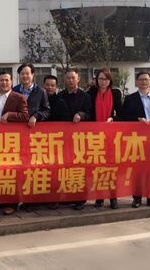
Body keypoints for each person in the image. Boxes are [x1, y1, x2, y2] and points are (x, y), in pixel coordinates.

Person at [121, 71, 150, 209]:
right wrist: (137, 120)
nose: (143, 82)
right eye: (141, 79)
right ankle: (137, 198)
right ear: (137, 82)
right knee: (137, 170)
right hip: (136, 140)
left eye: (146, 79)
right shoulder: (130, 99)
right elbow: (124, 118)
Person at [0, 71, 29, 215]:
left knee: (12, 172)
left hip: (11, 141)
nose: (4, 83)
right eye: (1, 80)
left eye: (7, 80)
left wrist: (10, 115)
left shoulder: (18, 97)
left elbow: (25, 116)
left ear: (12, 82)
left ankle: (12, 203)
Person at [57, 67, 92, 210]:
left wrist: (81, 115)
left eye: (73, 78)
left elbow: (90, 115)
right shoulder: (60, 95)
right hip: (63, 138)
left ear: (78, 79)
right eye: (68, 78)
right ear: (64, 80)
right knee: (65, 168)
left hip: (79, 138)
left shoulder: (85, 96)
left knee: (79, 169)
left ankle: (80, 198)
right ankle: (67, 196)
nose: (71, 80)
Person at [87, 67, 122, 210]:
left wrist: (113, 118)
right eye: (101, 79)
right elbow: (88, 112)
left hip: (111, 136)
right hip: (94, 136)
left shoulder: (115, 93)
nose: (103, 82)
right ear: (96, 80)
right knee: (97, 168)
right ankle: (99, 197)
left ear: (110, 80)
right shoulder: (91, 93)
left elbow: (121, 113)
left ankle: (113, 197)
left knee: (111, 167)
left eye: (106, 79)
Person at [12, 64, 50, 128]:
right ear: (19, 75)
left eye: (27, 73)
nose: (25, 76)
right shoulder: (14, 91)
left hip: (34, 127)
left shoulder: (41, 92)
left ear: (32, 74)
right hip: (16, 127)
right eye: (22, 74)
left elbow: (47, 111)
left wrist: (36, 116)